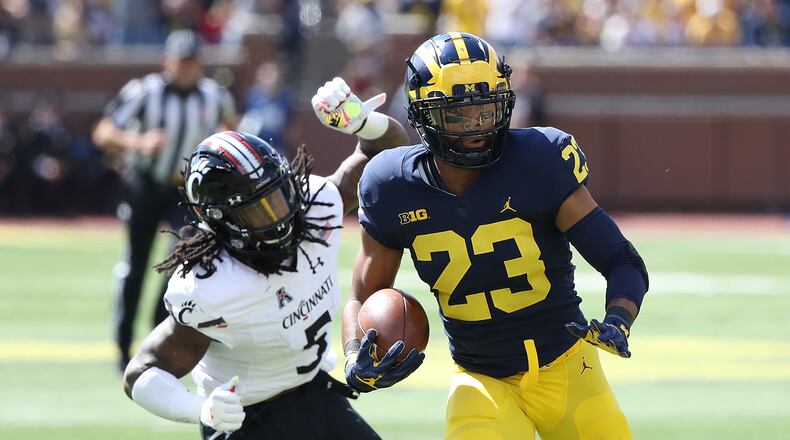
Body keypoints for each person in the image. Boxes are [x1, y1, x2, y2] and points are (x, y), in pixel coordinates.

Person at [337, 32, 649, 440]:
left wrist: (618, 320)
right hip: (480, 378)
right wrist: (353, 355)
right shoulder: (391, 185)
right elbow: (363, 297)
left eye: (485, 110)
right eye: (457, 115)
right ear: (423, 116)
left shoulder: (539, 159)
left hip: (570, 366)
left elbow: (621, 260)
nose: (476, 127)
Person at [122, 77, 409, 440]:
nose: (283, 213)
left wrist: (361, 122)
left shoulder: (316, 206)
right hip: (247, 421)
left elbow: (387, 157)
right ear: (223, 221)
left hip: (314, 395)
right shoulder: (212, 286)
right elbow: (142, 372)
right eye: (261, 209)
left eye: (281, 193)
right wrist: (201, 409)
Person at [92, 29, 239, 372]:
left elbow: (233, 128)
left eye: (191, 63)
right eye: (180, 62)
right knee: (136, 265)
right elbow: (103, 132)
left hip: (184, 190)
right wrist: (137, 142)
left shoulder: (214, 96)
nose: (185, 69)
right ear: (167, 62)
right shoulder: (145, 91)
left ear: (199, 65)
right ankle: (122, 344)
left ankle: (158, 333)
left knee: (182, 261)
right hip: (145, 183)